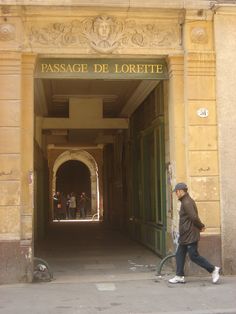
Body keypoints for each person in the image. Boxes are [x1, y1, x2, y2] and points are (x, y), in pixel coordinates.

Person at [169, 182, 221, 284]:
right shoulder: (185, 201)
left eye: (176, 192)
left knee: (193, 256)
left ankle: (213, 269)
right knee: (180, 254)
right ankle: (179, 275)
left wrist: (201, 226)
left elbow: (193, 217)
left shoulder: (187, 202)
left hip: (190, 234)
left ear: (181, 191)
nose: (176, 194)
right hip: (186, 234)